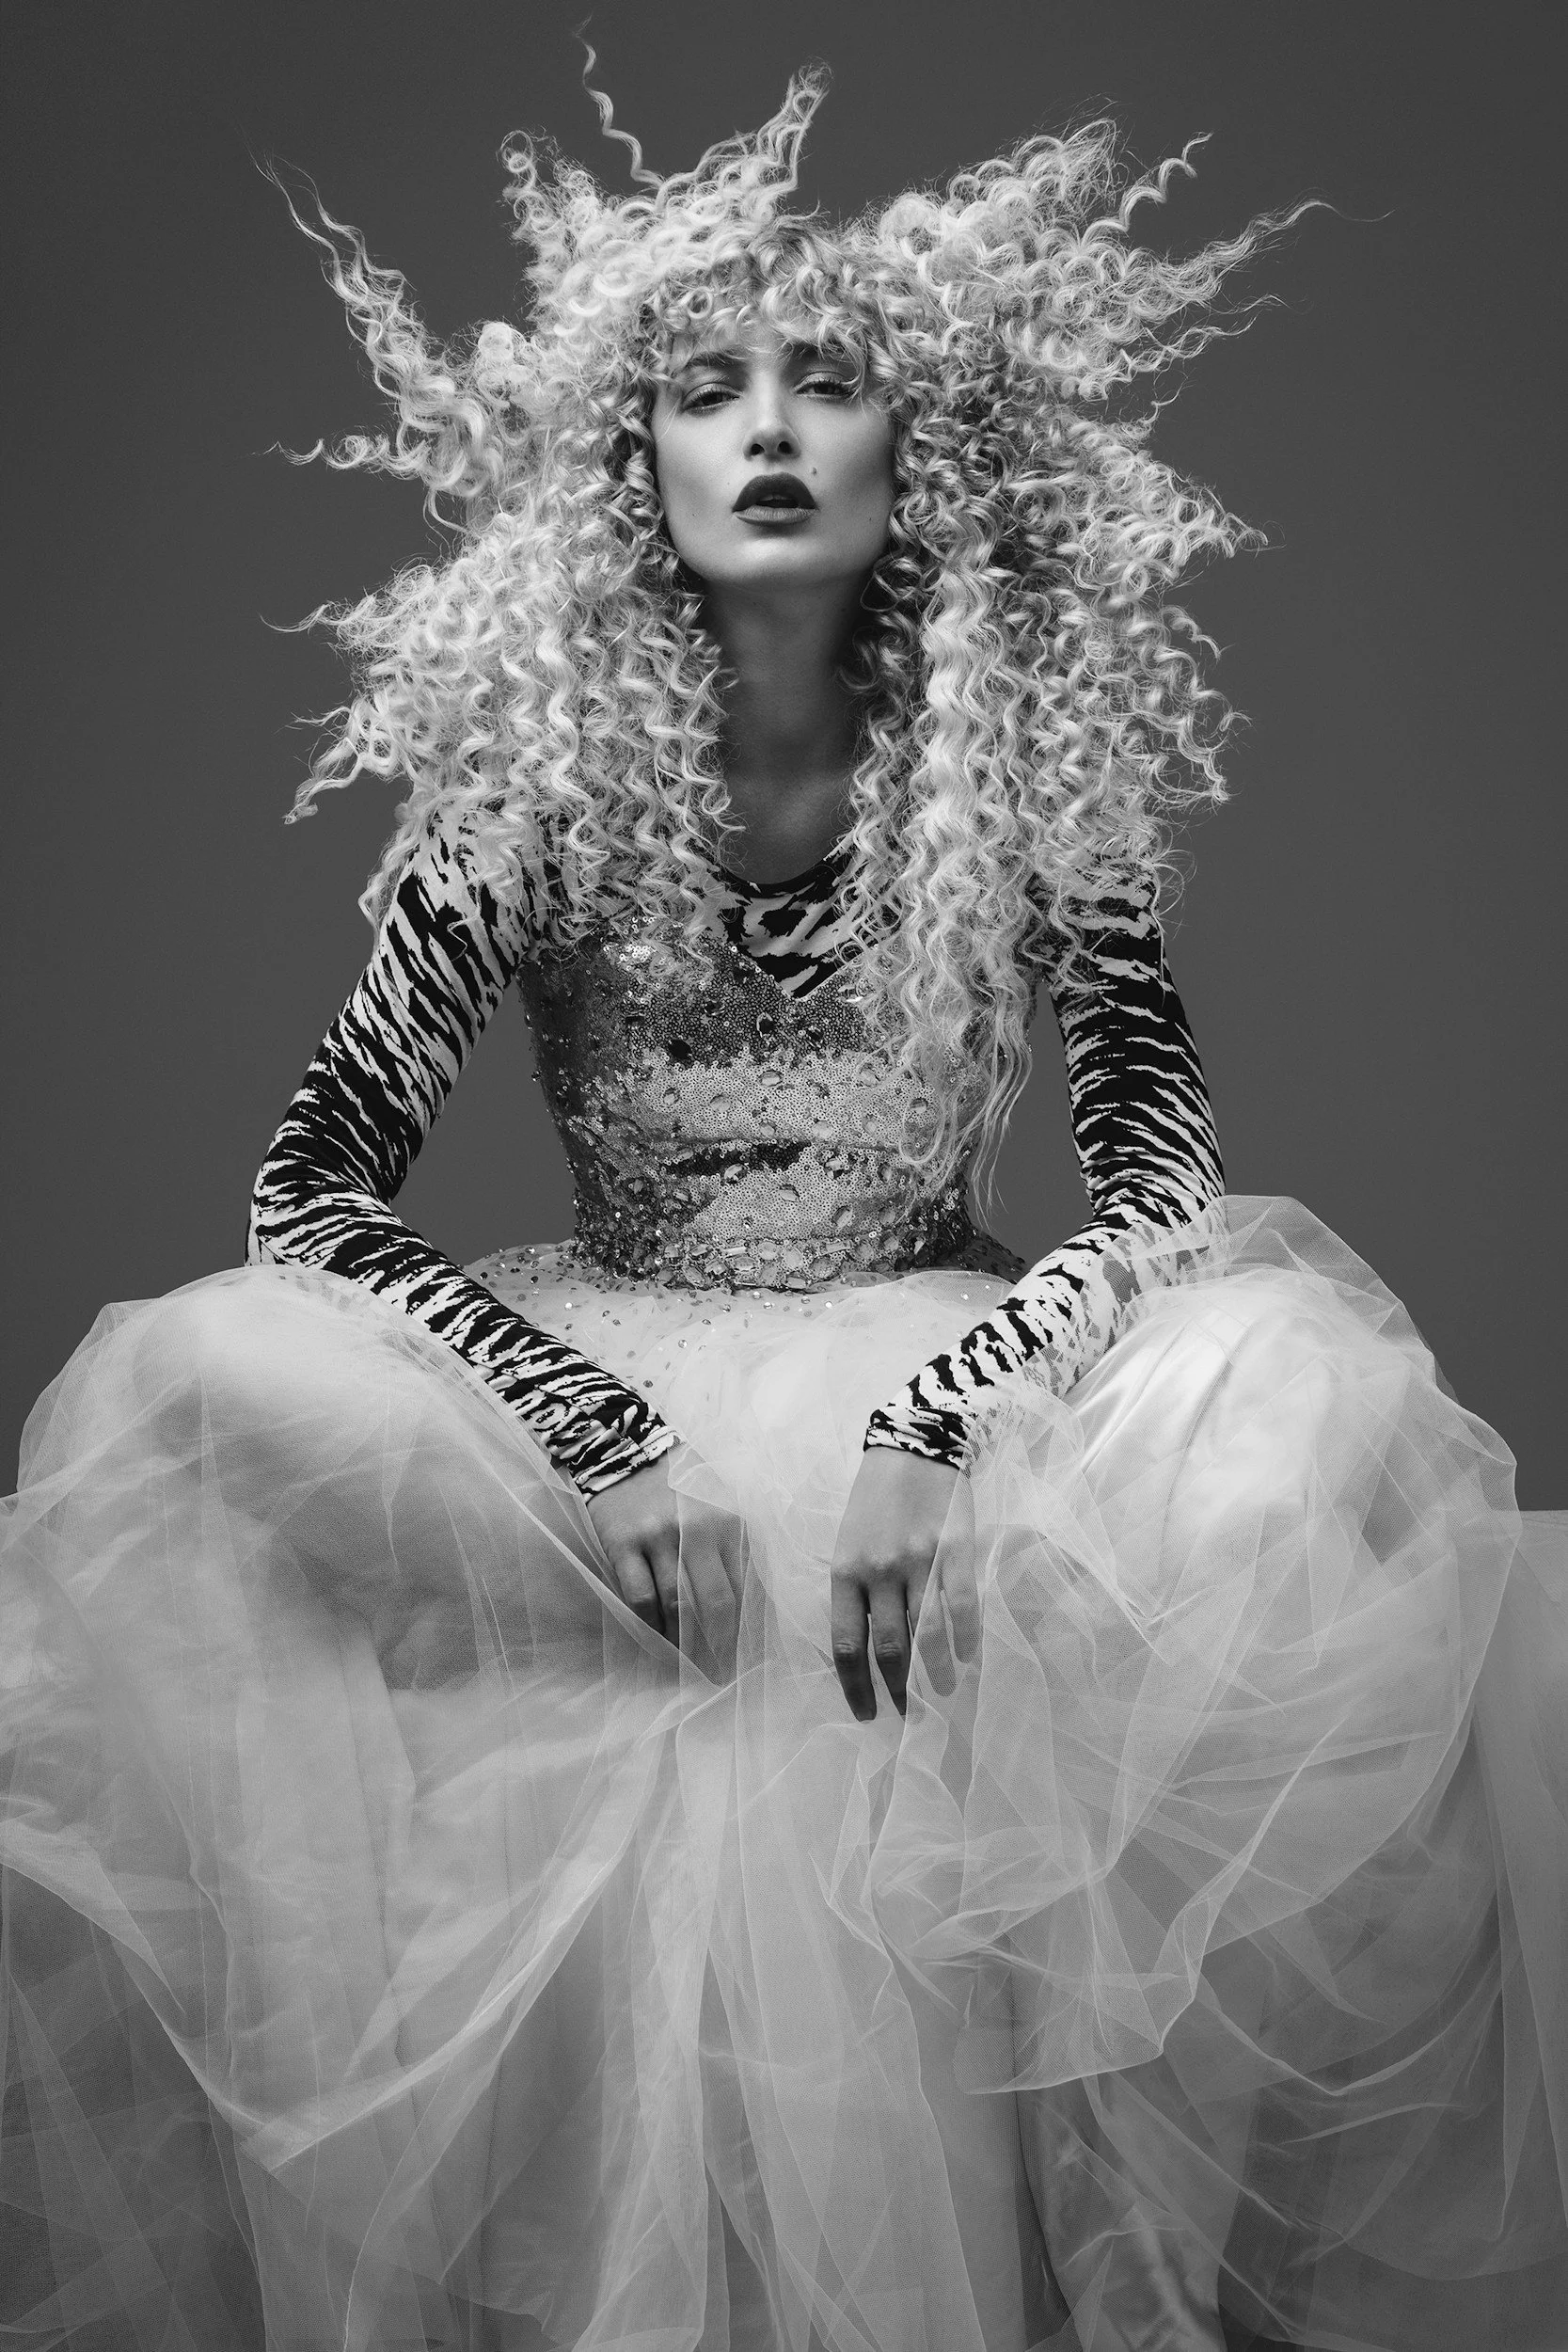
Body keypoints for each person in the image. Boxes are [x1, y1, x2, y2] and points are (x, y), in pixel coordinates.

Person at [2, 71, 1563, 2352]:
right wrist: (585, 1426)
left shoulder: (1017, 784)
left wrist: (937, 1417)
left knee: (1297, 1411)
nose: (762, 430)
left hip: (941, 1368)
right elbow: (302, 1191)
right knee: (192, 1368)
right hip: (594, 1377)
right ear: (626, 464)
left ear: (913, 455)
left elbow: (1158, 1180)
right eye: (700, 390)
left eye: (825, 385)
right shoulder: (530, 796)